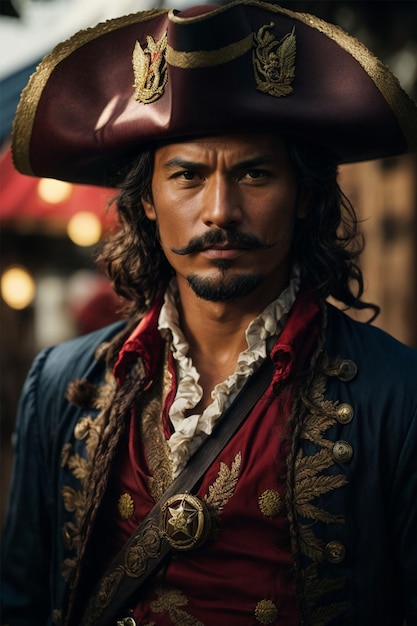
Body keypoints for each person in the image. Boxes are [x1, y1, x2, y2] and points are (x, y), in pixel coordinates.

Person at [1, 2, 417, 625]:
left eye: (254, 173)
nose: (220, 210)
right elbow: (22, 603)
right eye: (188, 176)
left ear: (304, 196)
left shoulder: (399, 394)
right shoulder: (62, 385)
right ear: (146, 200)